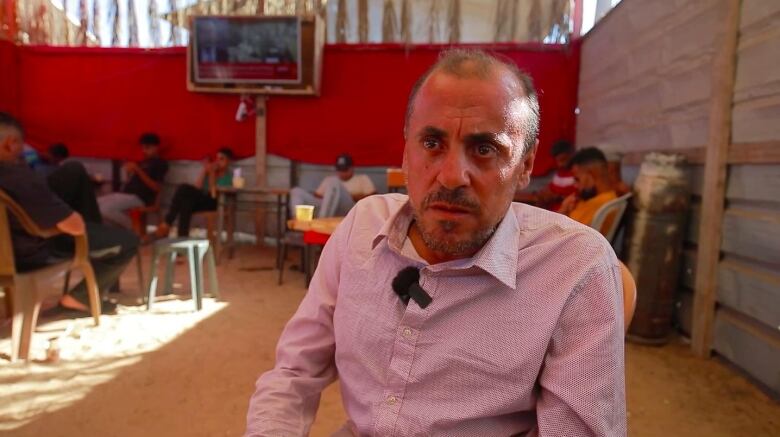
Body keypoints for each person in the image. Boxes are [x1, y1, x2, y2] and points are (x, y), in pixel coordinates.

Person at [245, 50, 625, 435]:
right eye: (432, 143)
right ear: (406, 152)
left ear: (526, 165)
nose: (451, 176)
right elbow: (294, 372)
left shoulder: (575, 269)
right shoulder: (361, 228)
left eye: (484, 149)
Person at [0, 112, 139, 314]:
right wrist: (69, 216)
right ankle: (78, 300)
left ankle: (97, 239)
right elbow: (75, 227)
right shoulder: (19, 178)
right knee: (128, 241)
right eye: (21, 145)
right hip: (32, 250)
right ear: (10, 144)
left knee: (74, 171)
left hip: (10, 243)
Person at [155, 147, 234, 238]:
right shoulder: (210, 172)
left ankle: (167, 223)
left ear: (229, 161)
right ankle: (182, 239)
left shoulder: (228, 177)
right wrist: (204, 171)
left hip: (215, 203)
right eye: (217, 159)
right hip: (203, 201)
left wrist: (212, 174)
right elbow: (196, 188)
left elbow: (213, 194)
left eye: (222, 159)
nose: (218, 162)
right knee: (186, 202)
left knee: (183, 188)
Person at [98, 133, 168, 229]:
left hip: (138, 198)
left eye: (147, 148)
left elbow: (156, 188)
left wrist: (137, 170)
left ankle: (134, 228)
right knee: (94, 204)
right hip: (124, 194)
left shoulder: (160, 163)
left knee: (103, 210)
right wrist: (129, 173)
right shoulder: (141, 162)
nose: (144, 151)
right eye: (142, 148)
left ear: (156, 147)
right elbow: (131, 182)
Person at [288, 153, 376, 218]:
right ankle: (298, 221)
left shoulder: (362, 178)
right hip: (328, 206)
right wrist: (331, 196)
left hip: (349, 208)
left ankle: (323, 220)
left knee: (334, 183)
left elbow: (374, 197)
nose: (342, 173)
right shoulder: (329, 180)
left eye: (345, 170)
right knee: (296, 191)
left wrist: (350, 196)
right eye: (340, 170)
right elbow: (317, 196)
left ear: (352, 168)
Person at [559, 147, 619, 228]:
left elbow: (557, 233)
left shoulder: (597, 204)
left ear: (592, 174)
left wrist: (562, 211)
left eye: (577, 179)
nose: (575, 185)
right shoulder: (608, 197)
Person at [514, 139, 577, 210]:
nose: (560, 164)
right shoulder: (560, 173)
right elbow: (551, 189)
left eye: (563, 159)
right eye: (558, 161)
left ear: (572, 155)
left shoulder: (577, 175)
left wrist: (555, 197)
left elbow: (577, 197)